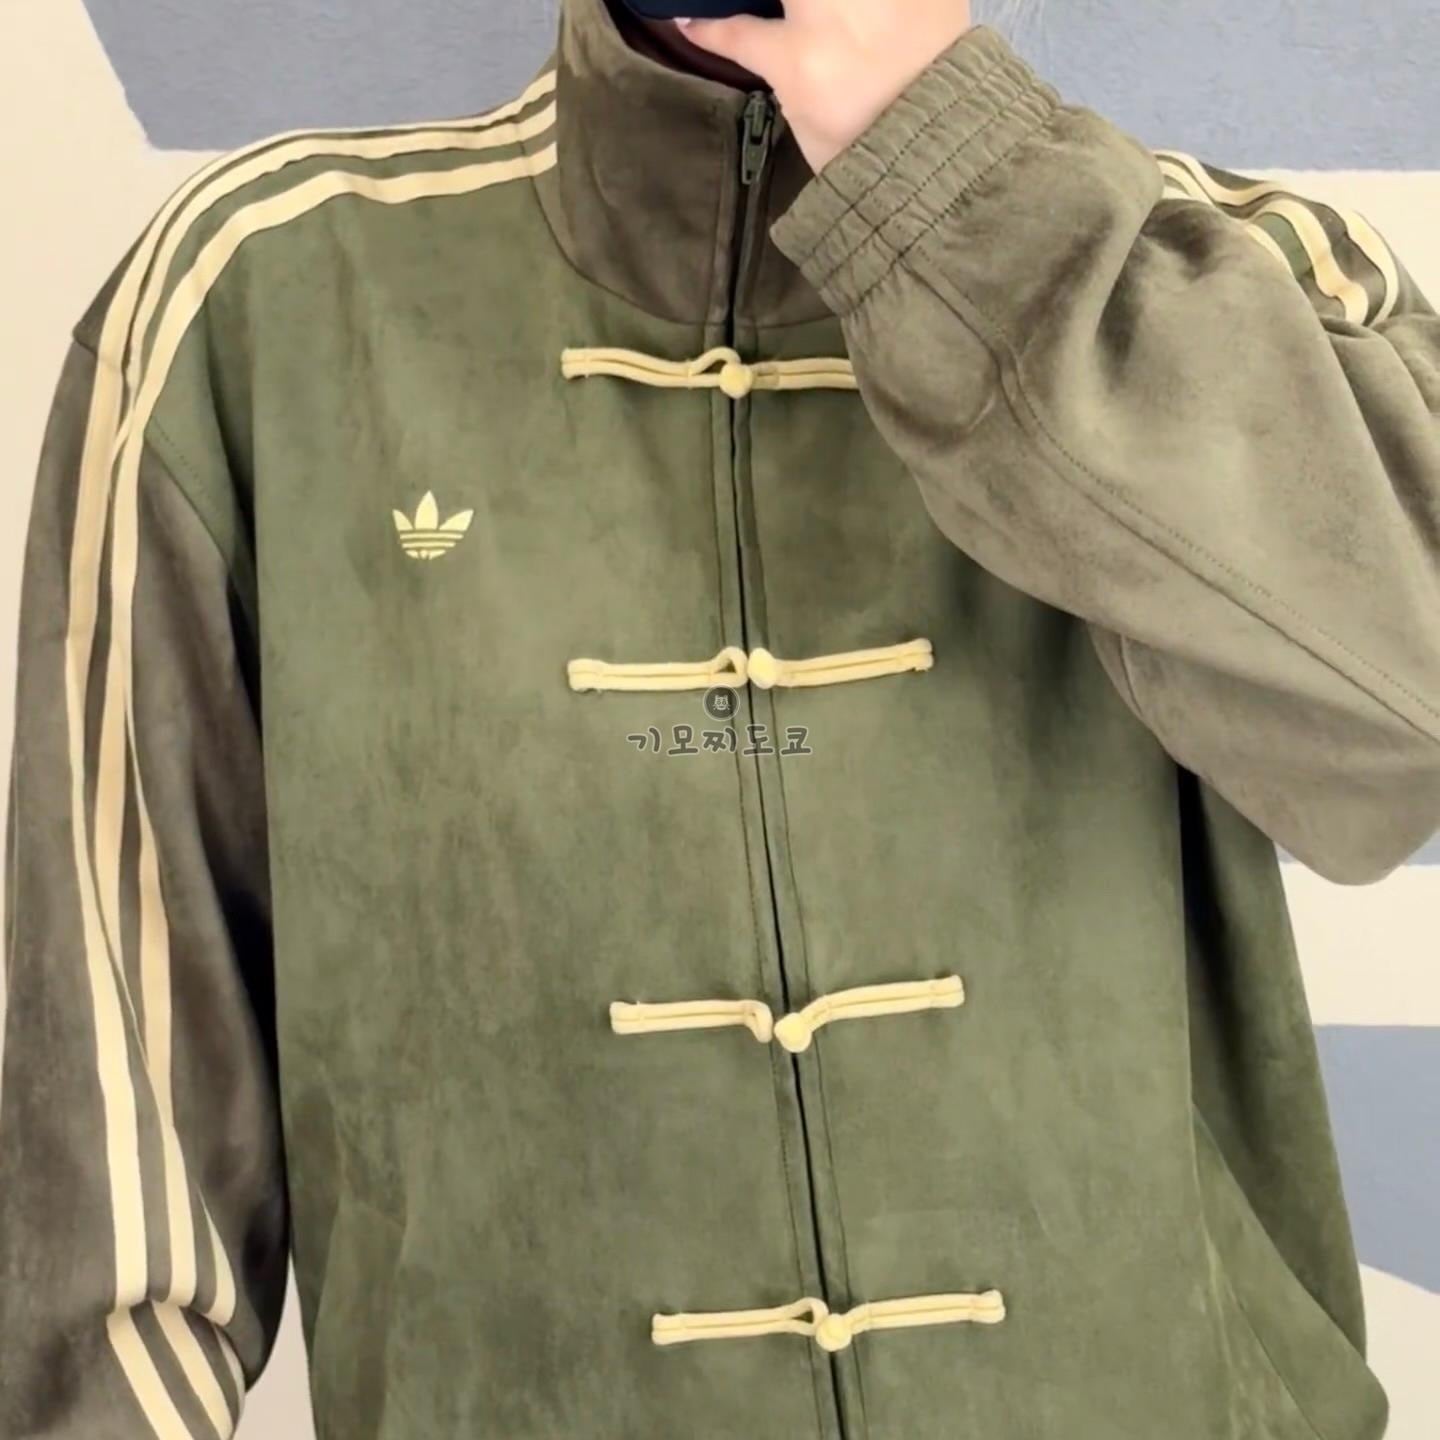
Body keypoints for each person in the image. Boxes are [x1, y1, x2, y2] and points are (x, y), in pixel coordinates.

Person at [1, 0, 1436, 1435]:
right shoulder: (263, 298)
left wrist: (962, 179)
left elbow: (1409, 724)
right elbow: (115, 1173)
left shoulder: (1236, 274)